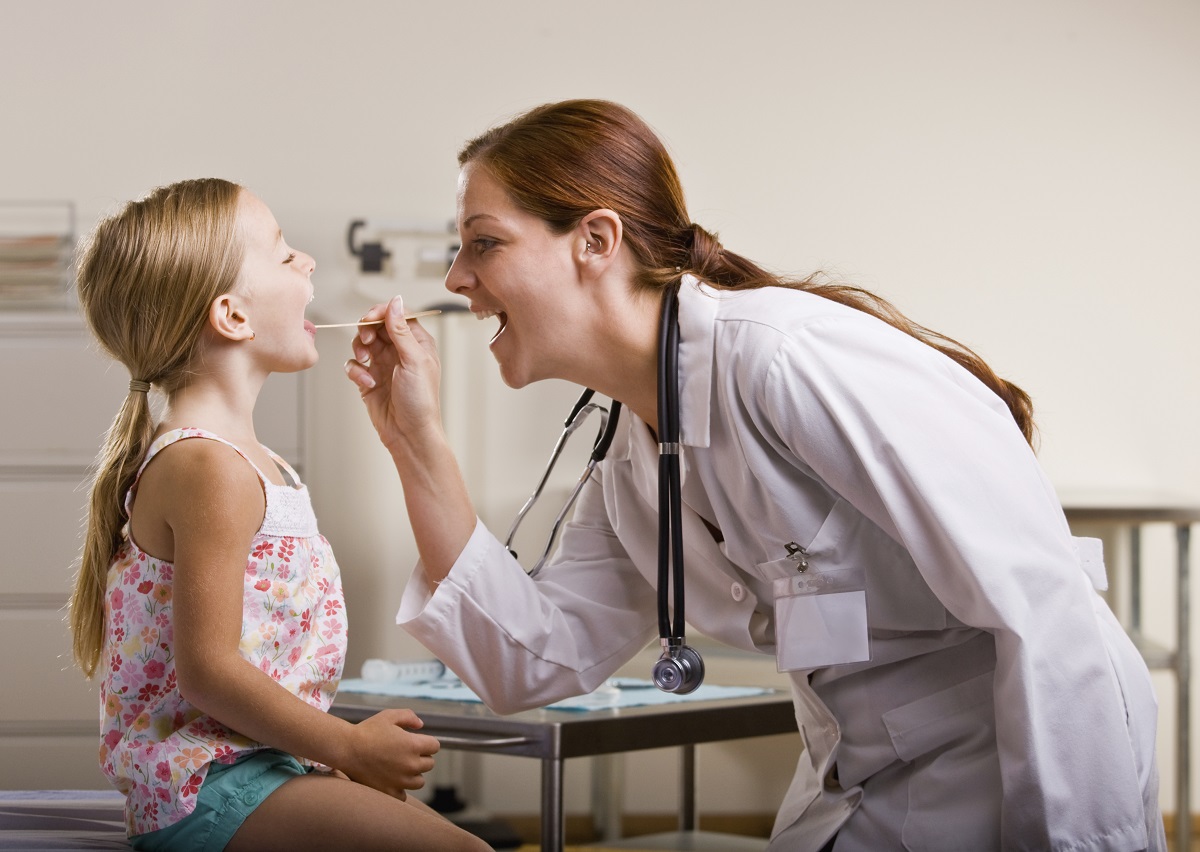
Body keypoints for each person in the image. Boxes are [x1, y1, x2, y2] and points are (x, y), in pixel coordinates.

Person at [345, 100, 1165, 851]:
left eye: (483, 243)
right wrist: (415, 440)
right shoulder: (636, 455)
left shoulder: (785, 359)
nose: (455, 279)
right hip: (854, 793)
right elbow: (531, 662)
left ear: (596, 241)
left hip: (1007, 790)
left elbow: (1045, 611)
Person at [68, 178, 490, 852]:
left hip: (258, 769)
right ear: (232, 316)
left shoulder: (254, 461)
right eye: (283, 253)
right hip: (209, 786)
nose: (309, 263)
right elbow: (209, 671)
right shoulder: (206, 467)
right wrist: (350, 748)